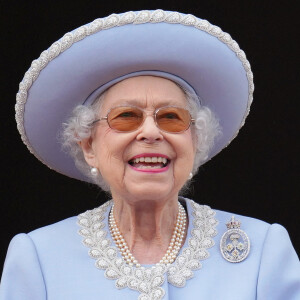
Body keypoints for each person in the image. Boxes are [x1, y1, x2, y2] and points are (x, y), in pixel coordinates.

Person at [1, 9, 299, 300]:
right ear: (89, 146)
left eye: (171, 117)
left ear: (195, 141)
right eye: (126, 116)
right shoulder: (38, 258)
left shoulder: (263, 251)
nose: (151, 132)